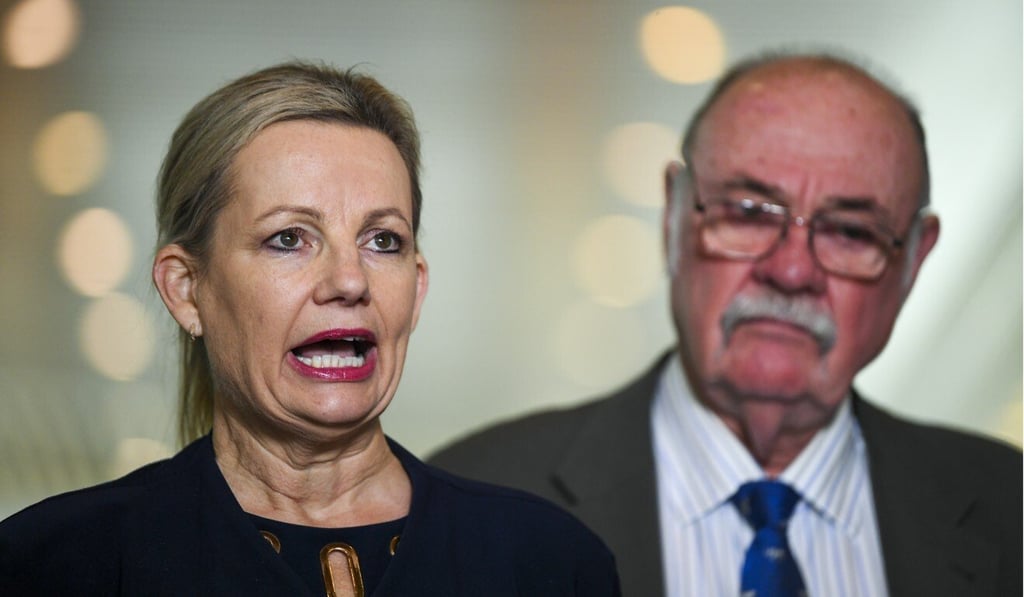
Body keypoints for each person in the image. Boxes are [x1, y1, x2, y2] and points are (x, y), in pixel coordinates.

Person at [0, 61, 620, 596]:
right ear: (187, 290)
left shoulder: (549, 562)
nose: (349, 280)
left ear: (418, 286)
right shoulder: (50, 563)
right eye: (289, 239)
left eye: (383, 241)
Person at [431, 51, 1022, 596]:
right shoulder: (462, 507)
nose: (792, 270)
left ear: (914, 260)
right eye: (746, 213)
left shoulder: (1011, 510)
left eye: (850, 231)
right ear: (673, 218)